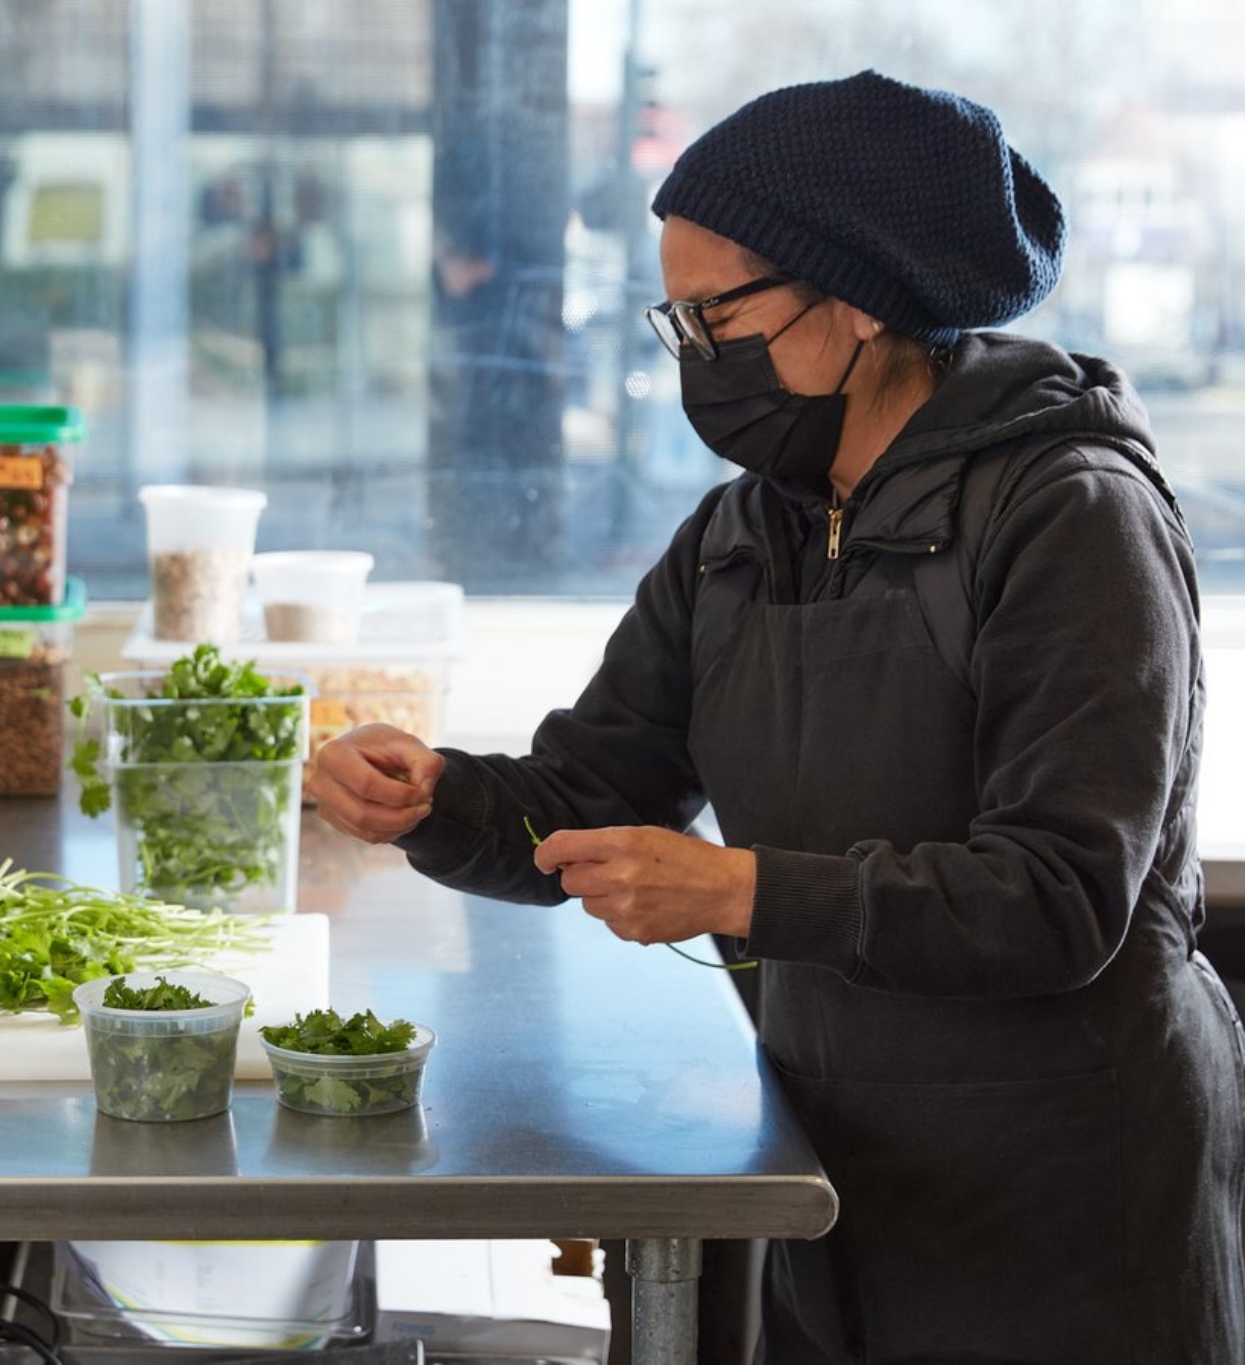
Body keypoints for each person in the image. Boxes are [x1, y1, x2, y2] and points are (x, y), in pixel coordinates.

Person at [308, 70, 1245, 1362]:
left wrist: (740, 891)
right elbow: (593, 789)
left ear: (854, 299)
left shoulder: (1072, 514)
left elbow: (1058, 895)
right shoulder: (743, 532)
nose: (695, 354)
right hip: (831, 1158)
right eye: (674, 319)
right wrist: (432, 798)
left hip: (1060, 1194)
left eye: (717, 315)